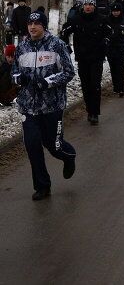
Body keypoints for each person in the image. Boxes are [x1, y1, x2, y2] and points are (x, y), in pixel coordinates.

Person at [11, 11, 76, 200]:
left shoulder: (57, 45)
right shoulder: (22, 47)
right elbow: (14, 72)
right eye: (30, 24)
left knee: (54, 145)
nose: (32, 27)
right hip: (28, 106)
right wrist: (18, 78)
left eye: (37, 24)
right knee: (32, 145)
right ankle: (42, 186)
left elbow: (68, 72)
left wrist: (47, 82)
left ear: (44, 26)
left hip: (52, 105)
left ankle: (68, 156)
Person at [61, 0, 111, 125]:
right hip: (82, 57)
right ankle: (89, 109)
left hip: (97, 57)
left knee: (95, 85)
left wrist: (105, 42)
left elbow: (110, 32)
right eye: (86, 5)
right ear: (83, 6)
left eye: (90, 4)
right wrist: (67, 46)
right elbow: (64, 32)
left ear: (94, 6)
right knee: (86, 85)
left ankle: (95, 113)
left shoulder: (101, 19)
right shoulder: (76, 19)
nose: (88, 7)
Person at [106, 3, 124, 96]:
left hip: (120, 48)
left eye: (117, 11)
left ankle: (121, 89)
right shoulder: (107, 21)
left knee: (120, 69)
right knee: (113, 69)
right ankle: (115, 87)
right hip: (110, 48)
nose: (115, 13)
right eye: (114, 11)